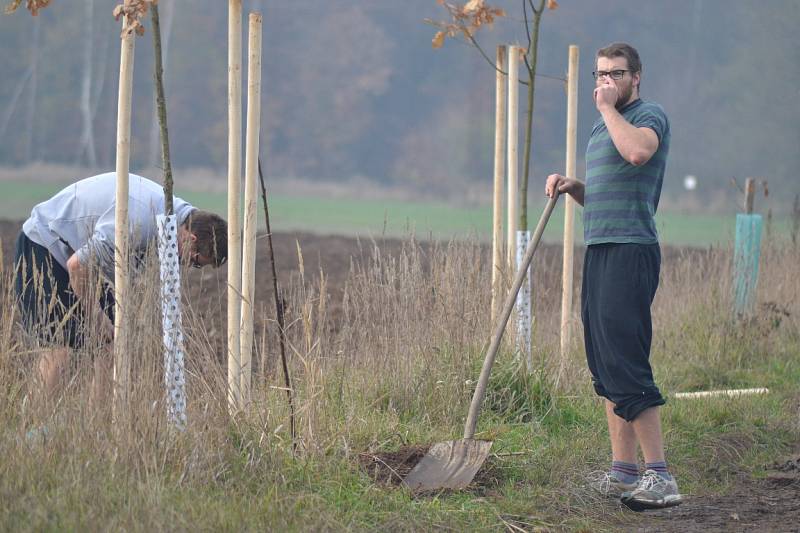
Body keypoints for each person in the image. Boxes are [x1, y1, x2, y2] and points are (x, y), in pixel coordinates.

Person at [546, 43, 682, 510]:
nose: (605, 81)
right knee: (604, 366)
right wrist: (573, 187)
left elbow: (640, 153)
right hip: (601, 250)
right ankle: (624, 472)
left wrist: (608, 110)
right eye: (599, 74)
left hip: (631, 252)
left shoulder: (648, 117)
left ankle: (660, 477)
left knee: (626, 361)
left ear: (636, 77)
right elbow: (607, 193)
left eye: (615, 73)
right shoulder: (602, 128)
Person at [14, 172, 227, 405]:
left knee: (113, 343)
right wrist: (96, 318)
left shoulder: (176, 219)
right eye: (196, 261)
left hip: (86, 260)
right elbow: (77, 266)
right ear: (191, 238)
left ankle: (98, 424)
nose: (188, 266)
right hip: (46, 245)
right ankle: (36, 422)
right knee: (60, 345)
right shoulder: (137, 221)